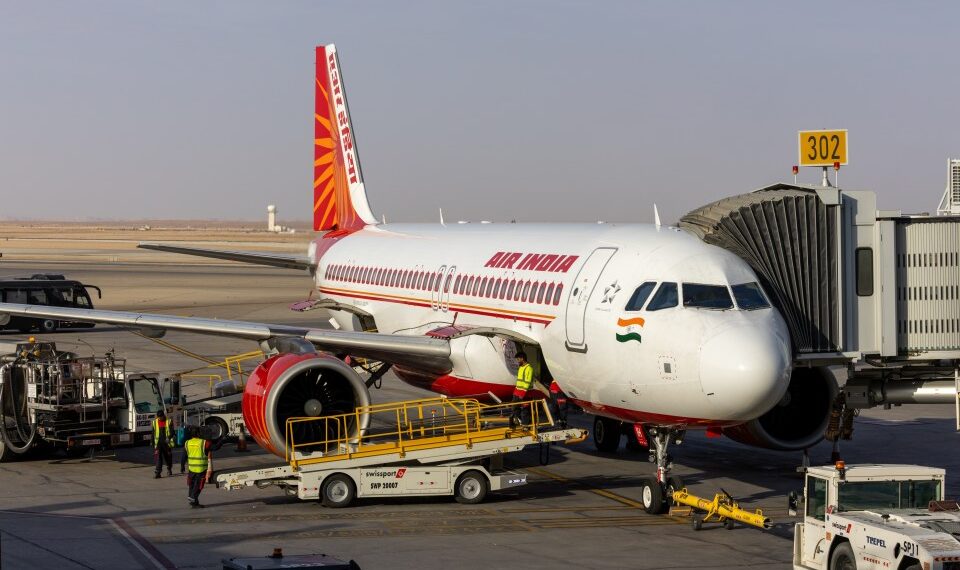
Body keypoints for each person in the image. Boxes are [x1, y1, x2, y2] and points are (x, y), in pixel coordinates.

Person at [184, 428, 213, 508]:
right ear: (198, 434)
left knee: (192, 484)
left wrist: (182, 466)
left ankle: (194, 503)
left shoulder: (187, 443)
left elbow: (184, 456)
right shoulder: (204, 443)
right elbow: (214, 447)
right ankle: (193, 497)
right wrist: (222, 441)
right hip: (200, 469)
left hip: (191, 468)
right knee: (199, 485)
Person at [511, 351, 534, 427]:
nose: (517, 361)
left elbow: (527, 382)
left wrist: (522, 393)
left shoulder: (529, 369)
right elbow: (519, 381)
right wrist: (515, 392)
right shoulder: (521, 367)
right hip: (517, 392)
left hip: (524, 393)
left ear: (522, 358)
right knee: (514, 408)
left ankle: (526, 425)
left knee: (525, 410)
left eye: (518, 359)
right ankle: (521, 421)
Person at [152, 410, 174, 478]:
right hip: (158, 443)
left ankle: (169, 468)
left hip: (166, 443)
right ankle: (158, 473)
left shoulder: (169, 421)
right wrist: (153, 444)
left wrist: (169, 437)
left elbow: (172, 432)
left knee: (168, 457)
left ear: (163, 416)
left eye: (161, 417)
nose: (160, 419)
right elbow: (153, 434)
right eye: (158, 417)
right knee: (159, 458)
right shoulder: (154, 422)